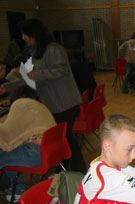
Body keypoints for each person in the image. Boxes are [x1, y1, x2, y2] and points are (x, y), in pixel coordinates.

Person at [0, 18, 86, 174]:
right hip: (54, 104)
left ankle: (79, 172)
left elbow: (62, 70)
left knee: (67, 140)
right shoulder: (36, 51)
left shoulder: (54, 49)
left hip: (65, 104)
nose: (23, 38)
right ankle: (66, 173)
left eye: (25, 34)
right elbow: (26, 79)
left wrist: (37, 74)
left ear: (33, 34)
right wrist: (6, 88)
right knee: (64, 140)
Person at [0, 86, 56, 200]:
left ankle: (18, 189)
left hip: (36, 154)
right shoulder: (38, 105)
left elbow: (7, 132)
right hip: (52, 151)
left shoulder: (19, 103)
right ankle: (17, 188)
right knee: (10, 150)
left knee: (5, 150)